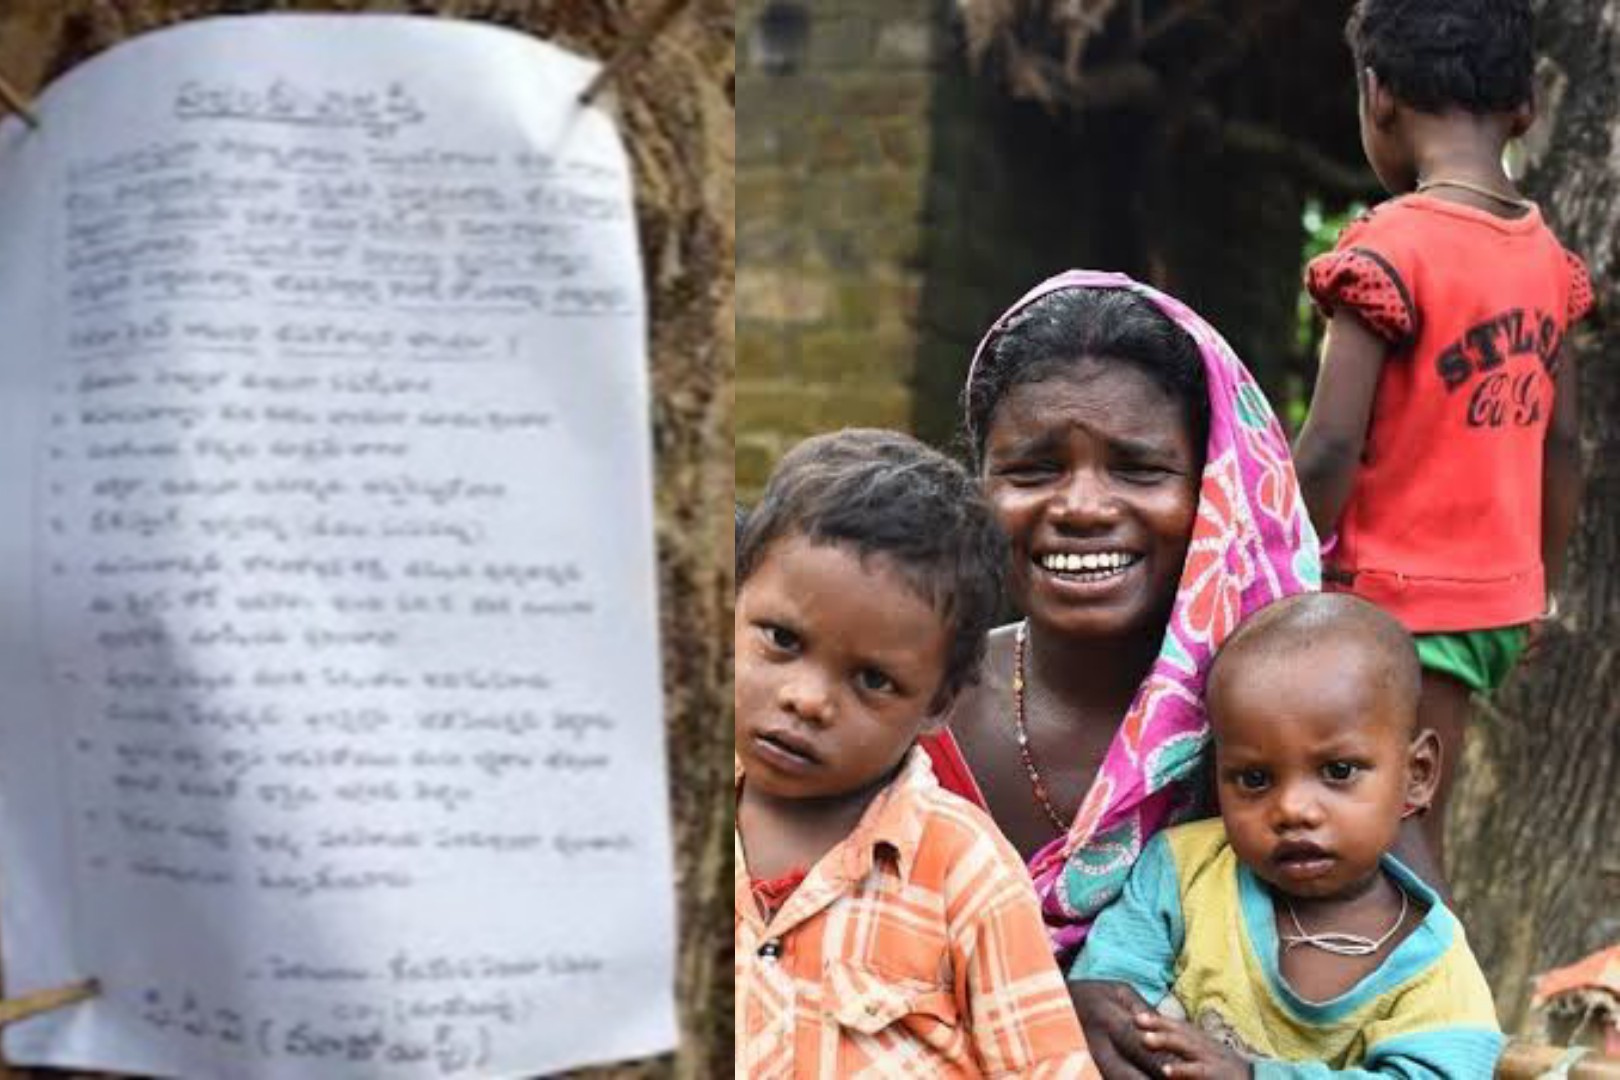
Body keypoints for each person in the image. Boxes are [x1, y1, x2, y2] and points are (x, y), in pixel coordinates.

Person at [921, 270, 1320, 1075]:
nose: (1083, 506)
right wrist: (1033, 1003)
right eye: (1032, 470)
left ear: (1214, 492)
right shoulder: (903, 713)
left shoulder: (1295, 734)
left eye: (1138, 469)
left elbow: (1404, 988)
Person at [1292, 0, 1594, 872]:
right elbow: (1563, 446)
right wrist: (1535, 585)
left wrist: (1273, 573)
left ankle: (1445, 1002)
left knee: (1392, 829)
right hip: (1493, 606)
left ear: (1376, 96)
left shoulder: (1390, 250)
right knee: (1411, 808)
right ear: (1525, 106)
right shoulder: (1545, 261)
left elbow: (1328, 449)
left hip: (1397, 604)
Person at [733, 429, 1097, 1077]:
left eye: (873, 680)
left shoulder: (964, 872)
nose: (808, 699)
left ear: (938, 704)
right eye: (782, 640)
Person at [1072, 593, 1504, 1079]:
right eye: (1254, 779)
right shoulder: (1184, 869)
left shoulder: (1436, 975)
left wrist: (1253, 1076)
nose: (1291, 809)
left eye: (1338, 771)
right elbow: (1105, 995)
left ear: (1417, 774)